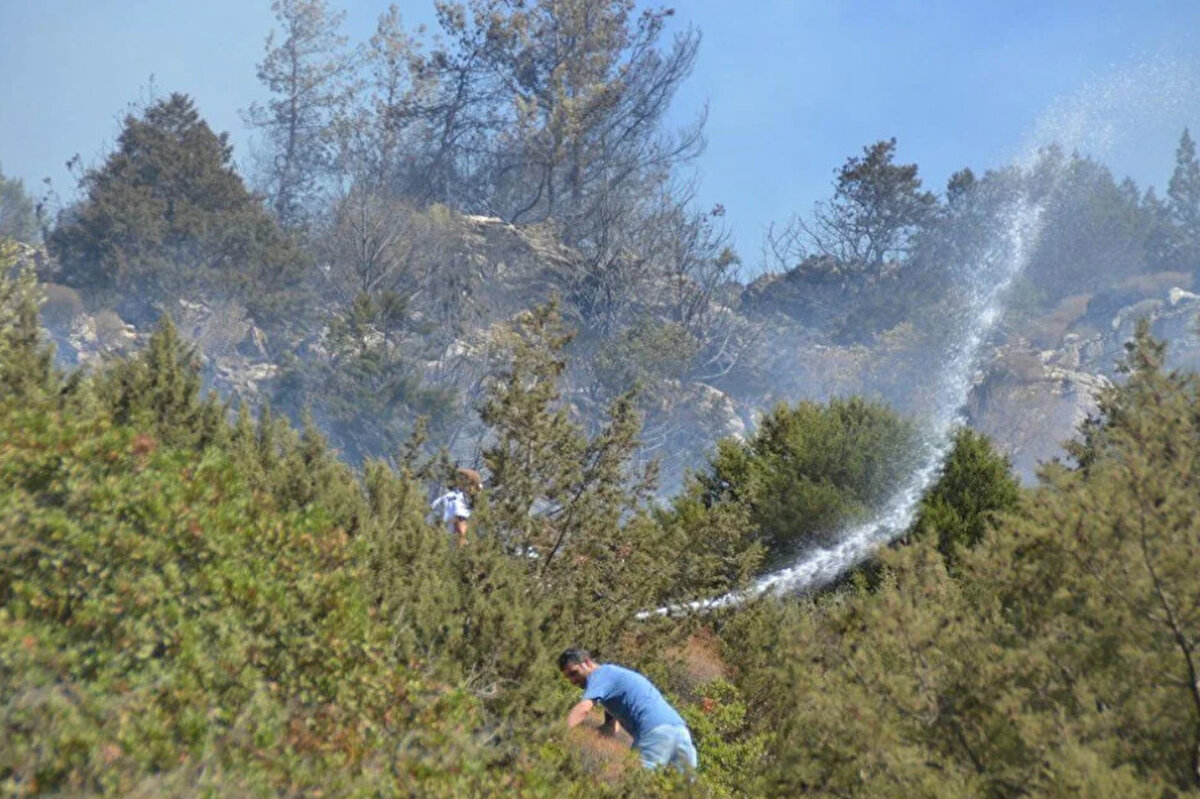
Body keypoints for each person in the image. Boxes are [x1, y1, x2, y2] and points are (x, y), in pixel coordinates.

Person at [559, 647, 698, 772]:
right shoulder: (611, 683)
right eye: (568, 677)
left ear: (588, 663)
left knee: (634, 786)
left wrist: (558, 735)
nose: (573, 680)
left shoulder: (599, 675)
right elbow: (611, 729)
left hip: (653, 732)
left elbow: (583, 709)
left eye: (574, 673)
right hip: (679, 731)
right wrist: (583, 738)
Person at [430, 468, 481, 546]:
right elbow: (460, 532)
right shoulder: (459, 501)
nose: (476, 493)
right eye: (476, 489)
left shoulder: (444, 499)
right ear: (468, 486)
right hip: (443, 550)